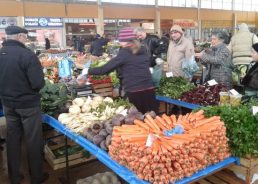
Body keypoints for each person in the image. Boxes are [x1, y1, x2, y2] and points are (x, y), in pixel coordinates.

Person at [0, 26, 47, 184]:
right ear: (20, 36)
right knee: (33, 141)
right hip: (27, 105)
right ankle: (36, 177)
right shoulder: (27, 55)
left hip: (7, 104)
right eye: (25, 37)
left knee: (12, 139)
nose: (26, 40)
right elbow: (38, 83)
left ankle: (14, 176)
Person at [77, 27, 157, 114]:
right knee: (151, 120)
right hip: (149, 91)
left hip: (135, 92)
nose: (119, 42)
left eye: (120, 40)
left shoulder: (125, 52)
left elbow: (104, 69)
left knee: (137, 121)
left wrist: (87, 70)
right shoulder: (143, 50)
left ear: (125, 40)